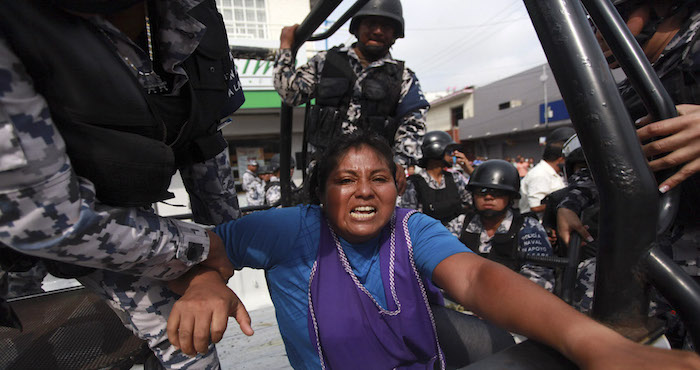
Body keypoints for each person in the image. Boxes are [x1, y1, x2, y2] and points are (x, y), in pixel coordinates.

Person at [166, 131, 700, 369]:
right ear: (321, 191)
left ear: (397, 186)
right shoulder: (289, 229)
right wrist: (205, 282)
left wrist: (594, 344)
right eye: (345, 179)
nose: (363, 191)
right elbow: (212, 248)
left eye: (378, 178)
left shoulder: (411, 227)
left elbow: (475, 279)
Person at [0, 0, 245, 367]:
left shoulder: (194, 16)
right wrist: (199, 247)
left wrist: (216, 262)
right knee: (25, 330)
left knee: (188, 346)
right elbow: (42, 218)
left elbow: (205, 139)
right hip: (39, 218)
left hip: (115, 214)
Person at [559, 0, 700, 277]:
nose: (599, 33)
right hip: (666, 248)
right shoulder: (633, 88)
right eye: (594, 24)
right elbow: (609, 164)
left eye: (620, 13)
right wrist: (569, 205)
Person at [273, 0, 429, 193]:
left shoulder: (403, 76)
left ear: (396, 34)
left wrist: (400, 162)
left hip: (372, 179)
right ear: (357, 27)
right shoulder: (326, 62)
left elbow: (414, 122)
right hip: (324, 176)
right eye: (371, 24)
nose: (378, 31)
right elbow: (290, 93)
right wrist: (285, 47)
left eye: (386, 26)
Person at [459, 160, 555, 292]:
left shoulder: (528, 228)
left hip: (509, 303)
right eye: (482, 191)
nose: (488, 197)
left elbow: (539, 279)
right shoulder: (460, 224)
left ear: (510, 197)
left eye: (497, 192)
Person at [400, 131, 473, 237]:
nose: (453, 155)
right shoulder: (413, 184)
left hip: (458, 239)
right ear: (436, 149)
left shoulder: (455, 178)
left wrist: (470, 171)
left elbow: (474, 201)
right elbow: (409, 220)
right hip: (430, 240)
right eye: (449, 151)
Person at [518, 127, 574, 219]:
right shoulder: (540, 174)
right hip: (539, 227)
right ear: (561, 160)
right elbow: (535, 207)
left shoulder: (555, 173)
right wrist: (563, 203)